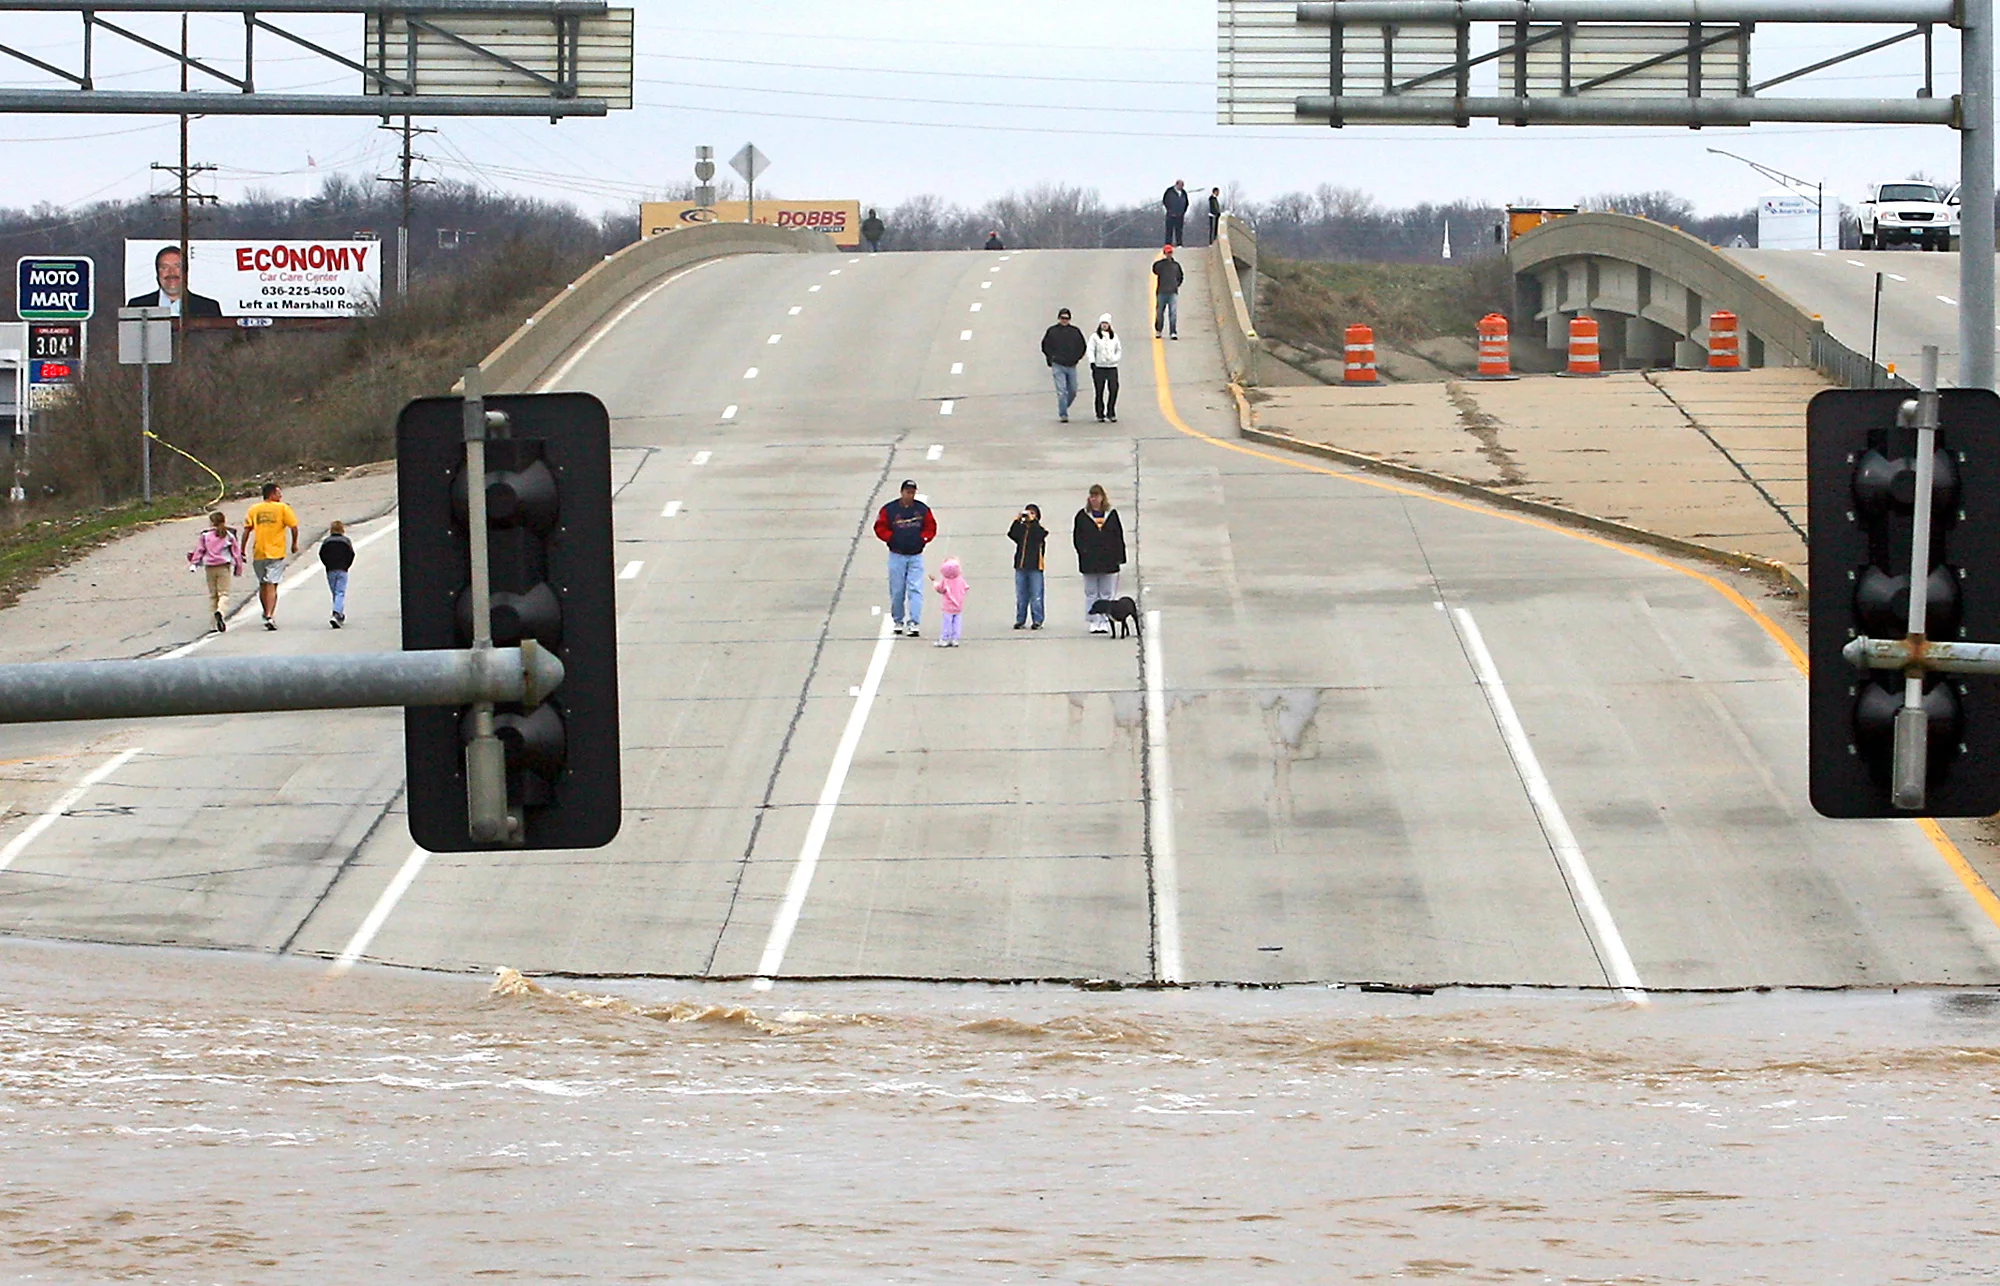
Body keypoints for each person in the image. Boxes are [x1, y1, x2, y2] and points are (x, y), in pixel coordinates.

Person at [874, 479, 936, 637]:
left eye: (913, 492)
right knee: (897, 590)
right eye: (908, 492)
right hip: (897, 555)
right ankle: (898, 620)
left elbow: (931, 527)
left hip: (915, 556)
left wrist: (923, 539)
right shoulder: (890, 510)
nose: (910, 495)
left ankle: (914, 622)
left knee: (915, 589)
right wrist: (891, 538)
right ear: (901, 492)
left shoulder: (922, 510)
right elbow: (880, 527)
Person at [242, 482, 299, 630]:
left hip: (259, 552)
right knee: (272, 584)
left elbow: (247, 530)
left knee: (263, 583)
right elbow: (293, 527)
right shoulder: (283, 508)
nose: (280, 495)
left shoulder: (254, 509)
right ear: (272, 494)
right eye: (278, 493)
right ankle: (269, 615)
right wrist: (294, 544)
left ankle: (265, 612)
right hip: (276, 552)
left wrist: (242, 549)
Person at [1073, 484, 1127, 634]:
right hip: (1089, 561)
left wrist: (1120, 557)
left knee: (1106, 593)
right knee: (1091, 592)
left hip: (1108, 561)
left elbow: (1118, 537)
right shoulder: (1082, 516)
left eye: (1096, 496)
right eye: (1091, 496)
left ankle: (1104, 620)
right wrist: (1083, 553)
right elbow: (1077, 538)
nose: (1094, 499)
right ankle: (1093, 621)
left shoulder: (1112, 515)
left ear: (1102, 498)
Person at [125, 244, 223, 318]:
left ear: (186, 272)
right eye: (164, 267)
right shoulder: (137, 306)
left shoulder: (209, 308)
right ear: (157, 273)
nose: (171, 272)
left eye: (177, 266)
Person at [186, 509, 243, 634]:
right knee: (224, 593)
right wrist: (238, 568)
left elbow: (199, 550)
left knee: (213, 595)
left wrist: (194, 563)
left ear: (211, 523)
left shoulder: (205, 535)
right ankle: (221, 612)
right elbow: (236, 553)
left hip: (209, 567)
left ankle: (213, 624)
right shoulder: (228, 535)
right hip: (223, 566)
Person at [1041, 307, 1086, 423]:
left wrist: (1077, 358)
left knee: (1073, 390)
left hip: (1071, 365)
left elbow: (1082, 346)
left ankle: (1064, 406)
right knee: (1062, 391)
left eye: (1066, 318)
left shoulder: (1075, 332)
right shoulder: (1052, 331)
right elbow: (1045, 345)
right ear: (1059, 318)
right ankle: (1063, 414)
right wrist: (1051, 358)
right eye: (1062, 318)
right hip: (1058, 365)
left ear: (1070, 319)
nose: (1064, 320)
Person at [1008, 504, 1047, 630]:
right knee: (1021, 596)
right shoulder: (1021, 530)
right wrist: (1017, 520)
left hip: (1035, 566)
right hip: (1021, 566)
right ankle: (1020, 620)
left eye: (1032, 513)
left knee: (1036, 595)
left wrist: (1033, 521)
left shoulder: (1039, 530)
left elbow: (1040, 535)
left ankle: (1038, 620)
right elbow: (1012, 534)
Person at [1087, 314, 1122, 423]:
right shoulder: (1095, 337)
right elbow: (1090, 349)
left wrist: (1115, 359)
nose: (1104, 325)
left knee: (1114, 389)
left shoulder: (1114, 336)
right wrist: (1092, 362)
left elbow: (1119, 349)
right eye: (1102, 323)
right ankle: (1100, 413)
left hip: (1112, 367)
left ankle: (1111, 411)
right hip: (1099, 367)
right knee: (1099, 391)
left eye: (1106, 323)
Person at [321, 519, 355, 629]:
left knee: (335, 592)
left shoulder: (326, 541)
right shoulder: (346, 541)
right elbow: (351, 554)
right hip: (342, 569)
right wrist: (347, 565)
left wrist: (327, 564)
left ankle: (339, 612)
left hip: (330, 569)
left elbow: (322, 554)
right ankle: (337, 613)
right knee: (340, 592)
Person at [929, 557, 968, 648]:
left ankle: (944, 639)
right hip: (959, 605)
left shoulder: (945, 581)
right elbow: (966, 587)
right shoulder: (960, 580)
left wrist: (934, 582)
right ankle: (955, 639)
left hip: (948, 606)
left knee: (947, 622)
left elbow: (940, 589)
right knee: (957, 622)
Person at [1152, 245, 1183, 340]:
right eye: (1167, 252)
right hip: (1161, 291)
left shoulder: (1176, 265)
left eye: (1170, 252)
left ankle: (1173, 331)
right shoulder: (1160, 265)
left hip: (1173, 292)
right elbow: (1155, 269)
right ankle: (1158, 330)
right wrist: (1163, 261)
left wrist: (1176, 285)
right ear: (1164, 253)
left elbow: (1180, 276)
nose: (1169, 254)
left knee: (1173, 312)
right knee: (1159, 312)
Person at [1162, 179, 1190, 246]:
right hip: (1171, 214)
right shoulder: (1169, 191)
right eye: (1180, 185)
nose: (1182, 187)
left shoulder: (1184, 193)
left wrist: (1183, 211)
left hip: (1180, 215)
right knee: (1169, 230)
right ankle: (1168, 244)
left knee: (1179, 230)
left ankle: (1179, 244)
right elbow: (1165, 201)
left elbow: (1186, 203)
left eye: (1182, 186)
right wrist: (1169, 210)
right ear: (1177, 184)